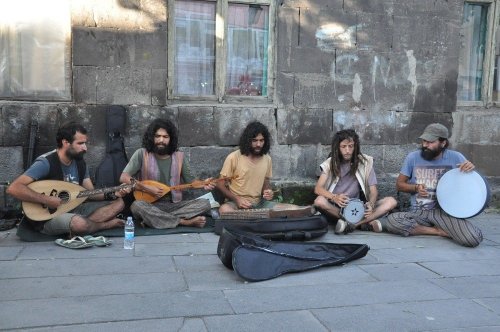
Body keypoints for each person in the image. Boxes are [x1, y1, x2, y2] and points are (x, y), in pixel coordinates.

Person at [7, 121, 129, 236]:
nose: (85, 148)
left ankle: (83, 226)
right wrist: (46, 199)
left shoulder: (80, 162)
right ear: (66, 143)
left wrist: (114, 193)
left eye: (85, 143)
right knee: (78, 223)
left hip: (74, 208)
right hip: (48, 217)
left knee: (119, 203)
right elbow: (13, 188)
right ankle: (103, 225)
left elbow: (90, 193)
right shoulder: (46, 162)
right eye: (80, 143)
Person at [385, 123, 483, 247]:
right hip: (419, 212)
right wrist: (415, 187)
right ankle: (437, 231)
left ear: (443, 143)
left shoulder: (456, 157)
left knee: (473, 238)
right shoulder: (413, 157)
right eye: (424, 141)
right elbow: (399, 185)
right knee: (392, 221)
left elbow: (472, 186)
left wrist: (471, 169)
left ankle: (438, 227)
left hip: (444, 213)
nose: (425, 145)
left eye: (430, 142)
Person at [119, 118, 214, 228]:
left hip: (174, 205)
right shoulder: (141, 154)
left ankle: (153, 220)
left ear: (171, 139)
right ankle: (184, 222)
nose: (161, 140)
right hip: (149, 204)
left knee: (205, 203)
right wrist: (147, 188)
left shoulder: (179, 157)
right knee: (136, 206)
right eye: (157, 136)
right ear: (152, 137)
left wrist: (204, 183)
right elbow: (124, 177)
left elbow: (191, 182)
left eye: (165, 137)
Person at [313, 129, 397, 234]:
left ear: (355, 147)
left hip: (359, 207)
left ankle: (352, 224)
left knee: (391, 201)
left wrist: (370, 204)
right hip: (337, 208)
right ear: (337, 148)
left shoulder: (365, 162)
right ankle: (363, 223)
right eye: (343, 147)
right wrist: (334, 197)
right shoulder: (330, 163)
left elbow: (373, 190)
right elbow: (318, 189)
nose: (347, 150)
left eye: (350, 146)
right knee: (319, 201)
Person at [217, 121, 305, 214]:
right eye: (254, 140)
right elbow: (220, 184)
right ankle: (256, 218)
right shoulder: (234, 157)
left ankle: (312, 211)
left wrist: (268, 191)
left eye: (261, 140)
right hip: (236, 203)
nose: (258, 144)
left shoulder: (267, 159)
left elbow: (266, 182)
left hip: (258, 204)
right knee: (224, 210)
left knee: (294, 208)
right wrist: (237, 199)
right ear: (248, 140)